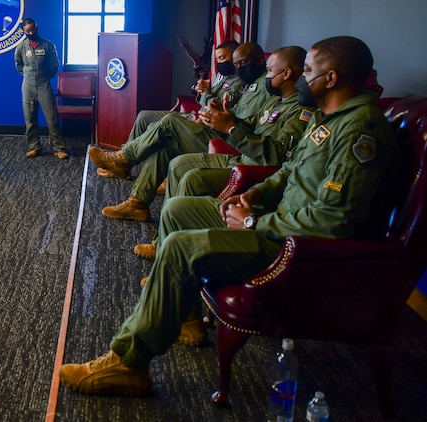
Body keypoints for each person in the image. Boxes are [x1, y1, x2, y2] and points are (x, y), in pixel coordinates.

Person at [59, 36, 398, 397]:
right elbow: (288, 172)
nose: (301, 78)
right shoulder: (330, 117)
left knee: (178, 247)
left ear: (330, 79)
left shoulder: (360, 130)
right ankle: (184, 313)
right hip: (277, 219)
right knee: (176, 209)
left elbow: (332, 222)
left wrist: (253, 222)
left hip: (295, 248)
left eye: (309, 72)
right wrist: (253, 194)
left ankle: (129, 361)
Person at [133, 46, 312, 261]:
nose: (267, 75)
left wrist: (231, 128)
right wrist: (226, 118)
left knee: (188, 169)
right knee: (178, 163)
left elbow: (277, 155)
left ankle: (168, 247)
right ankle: (162, 238)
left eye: (271, 71)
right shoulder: (276, 99)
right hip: (240, 155)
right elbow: (251, 125)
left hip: (253, 167)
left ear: (287, 74)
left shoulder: (302, 112)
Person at [88, 42, 272, 222]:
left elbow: (247, 126)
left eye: (242, 63)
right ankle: (137, 202)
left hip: (229, 140)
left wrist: (219, 113)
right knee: (164, 142)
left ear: (260, 61)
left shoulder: (264, 86)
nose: (238, 67)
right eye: (237, 64)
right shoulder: (248, 83)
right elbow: (231, 110)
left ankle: (124, 158)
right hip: (216, 127)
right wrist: (216, 107)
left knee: (168, 122)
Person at [14, 18, 67, 159]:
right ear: (24, 32)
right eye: (28, 31)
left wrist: (47, 75)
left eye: (33, 29)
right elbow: (18, 65)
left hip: (44, 84)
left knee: (52, 118)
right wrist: (28, 74)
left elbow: (54, 63)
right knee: (30, 119)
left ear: (37, 27)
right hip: (28, 86)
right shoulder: (21, 47)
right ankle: (34, 147)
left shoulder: (48, 45)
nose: (31, 32)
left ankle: (59, 148)